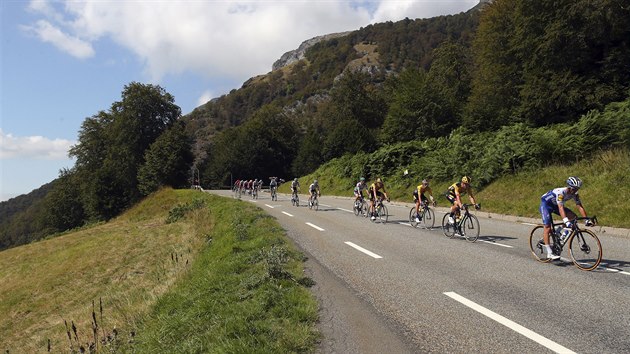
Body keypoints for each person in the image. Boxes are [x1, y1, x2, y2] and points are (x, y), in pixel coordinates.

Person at [539, 176, 594, 260]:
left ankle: (558, 234)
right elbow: (561, 208)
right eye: (574, 189)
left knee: (573, 217)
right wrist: (566, 220)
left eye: (577, 189)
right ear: (569, 187)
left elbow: (579, 206)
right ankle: (549, 253)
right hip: (546, 205)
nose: (575, 191)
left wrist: (586, 219)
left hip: (556, 205)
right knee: (547, 227)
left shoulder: (575, 194)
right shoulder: (560, 193)